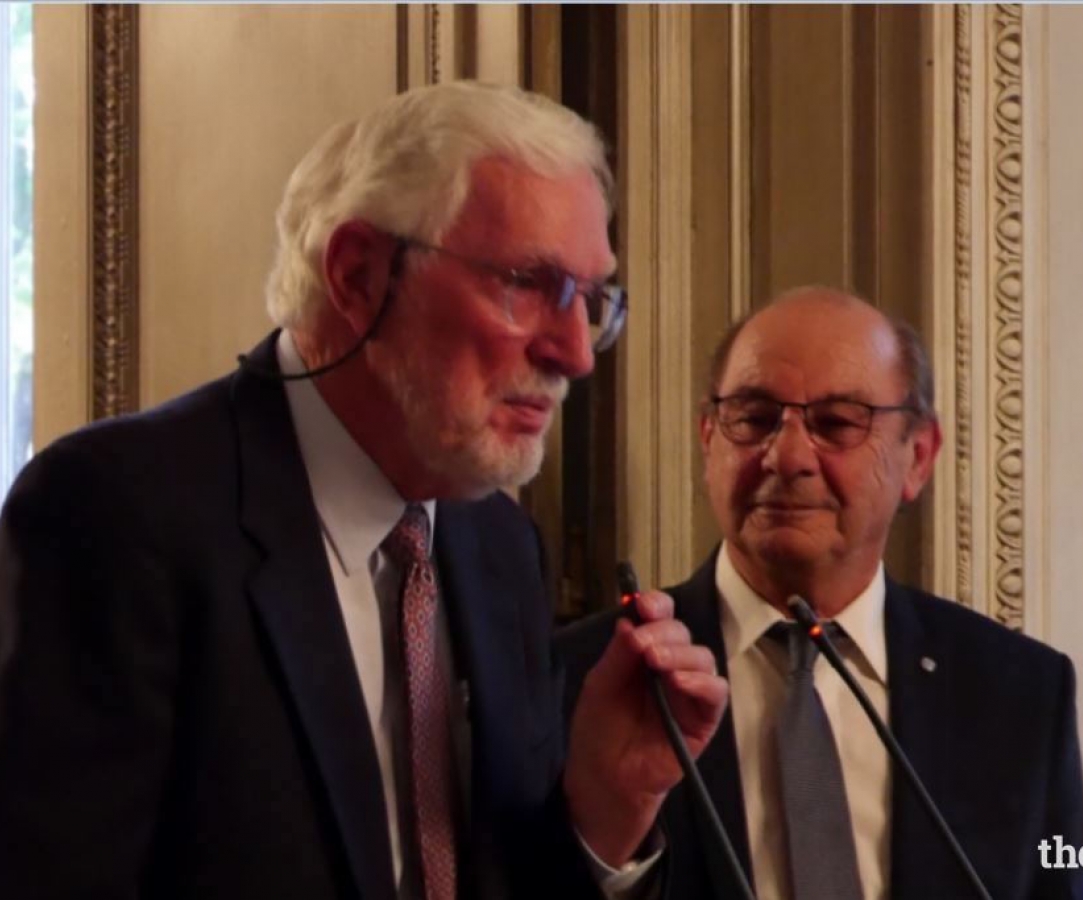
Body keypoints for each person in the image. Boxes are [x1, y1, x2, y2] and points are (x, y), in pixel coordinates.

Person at [0, 81, 727, 900]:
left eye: (593, 302)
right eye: (528, 284)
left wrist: (608, 807)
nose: (576, 352)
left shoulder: (499, 547)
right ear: (358, 275)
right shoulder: (119, 512)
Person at [557, 287, 1083, 899]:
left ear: (918, 457)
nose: (787, 457)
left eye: (838, 423)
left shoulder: (1015, 694)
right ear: (708, 438)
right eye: (754, 419)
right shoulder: (587, 678)